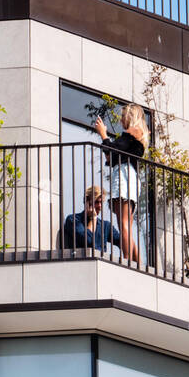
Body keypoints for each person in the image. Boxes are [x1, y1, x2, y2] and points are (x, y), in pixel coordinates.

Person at [93, 103, 150, 265]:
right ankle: (138, 263)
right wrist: (107, 142)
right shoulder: (137, 136)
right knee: (126, 225)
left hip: (124, 177)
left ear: (131, 117)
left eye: (123, 116)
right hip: (128, 177)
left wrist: (103, 135)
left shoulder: (133, 132)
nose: (121, 120)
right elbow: (111, 158)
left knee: (124, 224)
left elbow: (112, 151)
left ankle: (127, 262)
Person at [61, 185, 118, 253]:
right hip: (80, 261)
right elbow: (88, 242)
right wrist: (92, 219)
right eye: (96, 202)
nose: (100, 206)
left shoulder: (105, 225)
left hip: (100, 263)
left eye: (101, 202)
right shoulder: (73, 220)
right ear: (87, 202)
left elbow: (123, 241)